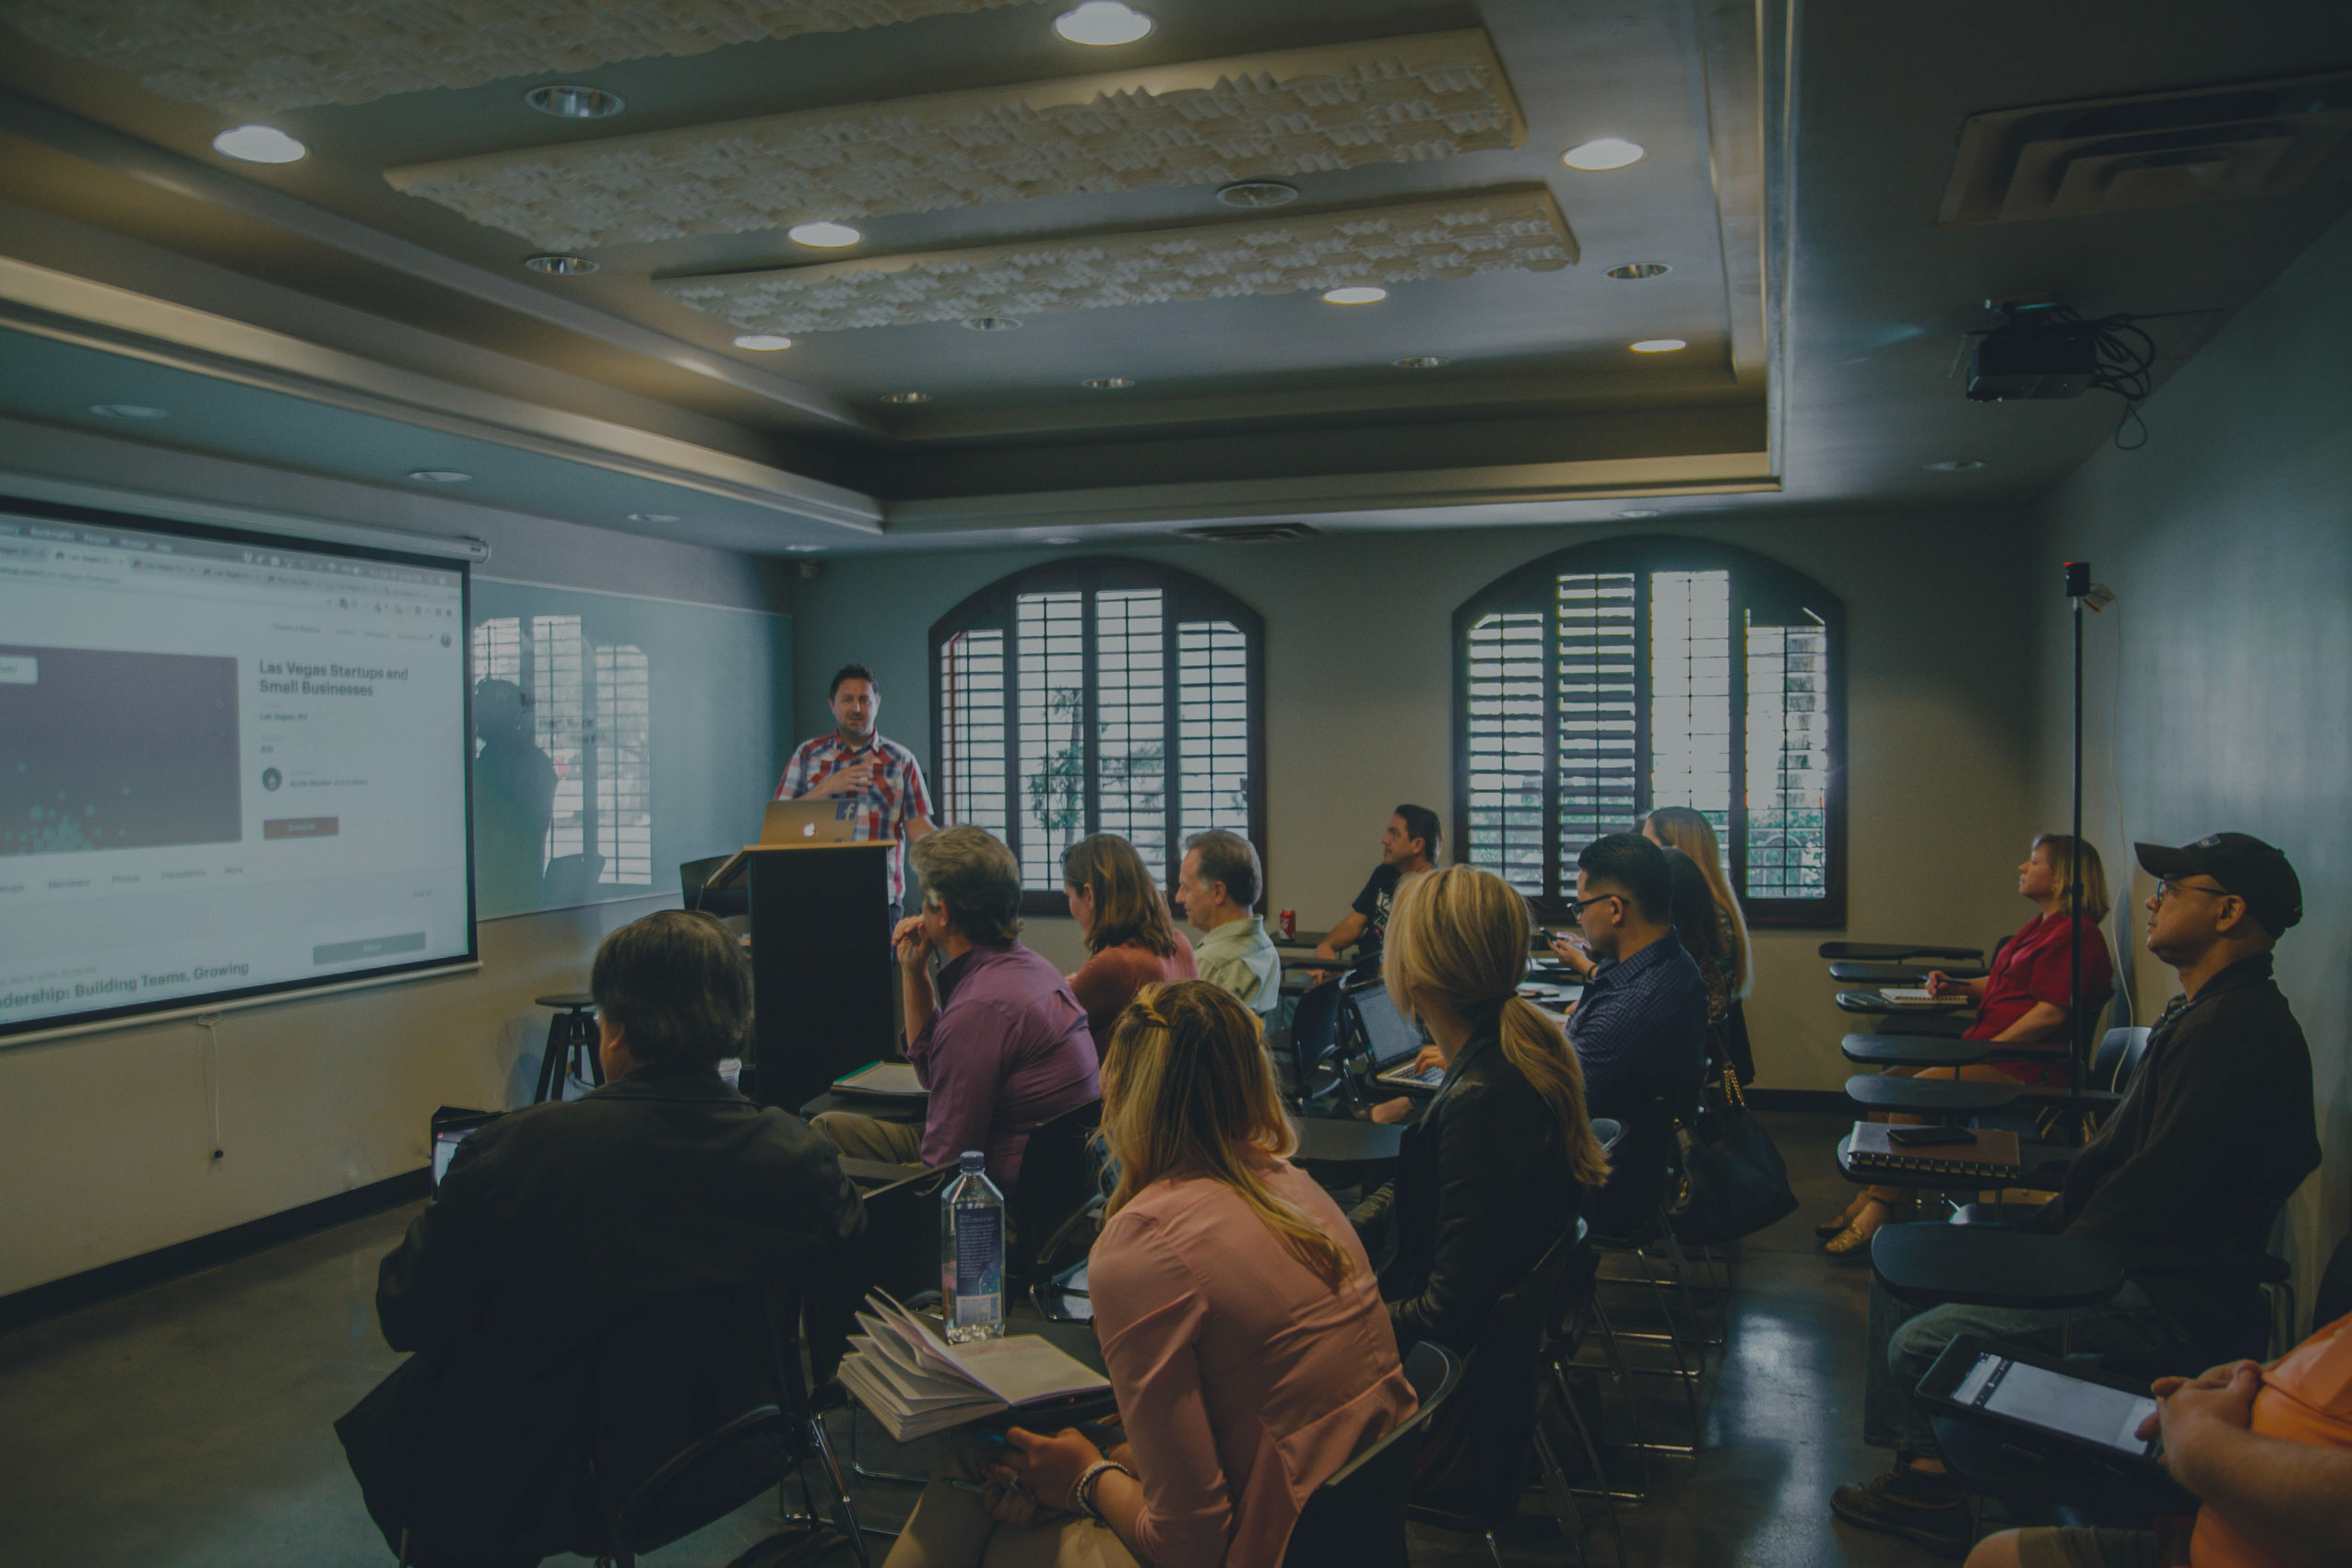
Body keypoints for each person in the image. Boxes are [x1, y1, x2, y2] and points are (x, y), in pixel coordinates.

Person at [1830, 832, 2320, 1560]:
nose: (2151, 899)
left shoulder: (2233, 1033)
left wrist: (2037, 1258)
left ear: (2228, 911)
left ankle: (1933, 1488)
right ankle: (1925, 1472)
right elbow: (2120, 1167)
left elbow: (2151, 1196)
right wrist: (2028, 1241)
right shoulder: (2199, 1014)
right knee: (1899, 1262)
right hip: (2109, 1251)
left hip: (2158, 1289)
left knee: (1919, 1338)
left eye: (2172, 887)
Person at [336, 911, 866, 1568]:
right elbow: (843, 1250)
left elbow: (405, 1311)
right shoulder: (797, 1154)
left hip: (549, 1479)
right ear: (735, 1024)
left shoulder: (515, 1153)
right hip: (737, 1445)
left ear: (612, 1032)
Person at [881, 981, 1416, 1568]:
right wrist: (1097, 1470)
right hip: (1336, 1528)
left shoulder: (1146, 1247)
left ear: (1123, 1096)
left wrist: (1086, 1478)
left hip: (1271, 1540)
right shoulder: (1297, 1189)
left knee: (994, 1519)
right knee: (994, 1464)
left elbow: (1190, 1546)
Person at [1349, 867, 1613, 1515]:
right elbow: (1430, 1197)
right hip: (1482, 1391)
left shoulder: (1481, 1100)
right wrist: (1329, 1235)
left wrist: (1325, 1322)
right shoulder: (1512, 1055)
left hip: (1443, 1424)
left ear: (1413, 973)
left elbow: (1444, 1314)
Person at [1820, 835, 2119, 1256]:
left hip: (2023, 1069)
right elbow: (2001, 985)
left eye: (2033, 862)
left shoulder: (2076, 937)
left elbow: (2052, 1013)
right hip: (1992, 1053)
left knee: (1914, 1093)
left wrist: (1989, 1048)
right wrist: (1954, 986)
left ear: (2062, 879)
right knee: (1888, 1084)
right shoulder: (2041, 928)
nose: (2022, 867)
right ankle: (1869, 1195)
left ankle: (1881, 1209)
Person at [812, 825, 1098, 1190]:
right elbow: (935, 1073)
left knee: (823, 1169)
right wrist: (913, 972)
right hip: (1049, 1191)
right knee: (827, 1129)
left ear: (942, 911)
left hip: (992, 1205)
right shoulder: (1032, 969)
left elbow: (943, 1168)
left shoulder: (982, 1008)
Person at [1965, 1313, 2352, 1568]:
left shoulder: (2197, 1445)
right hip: (2204, 1534)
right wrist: (2253, 1379)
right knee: (1996, 1557)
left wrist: (2197, 1439)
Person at [1550, 832, 1710, 1122]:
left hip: (1596, 1152)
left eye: (1581, 907)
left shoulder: (1630, 1008)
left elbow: (1556, 1099)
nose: (1579, 919)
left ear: (1614, 909)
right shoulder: (1672, 960)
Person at [775, 662, 934, 920]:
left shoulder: (900, 760)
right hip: (815, 898)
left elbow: (918, 828)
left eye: (864, 700)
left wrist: (958, 856)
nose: (856, 708)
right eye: (847, 699)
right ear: (832, 705)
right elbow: (779, 824)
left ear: (877, 704)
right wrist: (827, 788)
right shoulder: (808, 754)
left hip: (880, 900)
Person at [1060, 833, 1196, 1058]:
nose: (1071, 907)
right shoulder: (1180, 943)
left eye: (1069, 896)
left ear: (1089, 894)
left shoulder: (1114, 964)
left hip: (1124, 1091)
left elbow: (1047, 1033)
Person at [1312, 804, 1441, 963]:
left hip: (1391, 982)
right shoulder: (1385, 873)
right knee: (1298, 985)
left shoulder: (1436, 889)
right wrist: (1326, 947)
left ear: (1417, 845)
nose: (1385, 840)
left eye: (1394, 834)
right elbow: (1353, 926)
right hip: (1360, 972)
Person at [470, 678, 555, 907]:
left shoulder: (498, 766)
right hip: (513, 891)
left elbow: (522, 824)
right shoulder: (530, 761)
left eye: (482, 709)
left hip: (503, 894)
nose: (475, 716)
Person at [1175, 829, 1280, 1015]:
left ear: (1218, 893)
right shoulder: (1266, 947)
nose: (1178, 897)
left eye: (1186, 887)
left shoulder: (1210, 964)